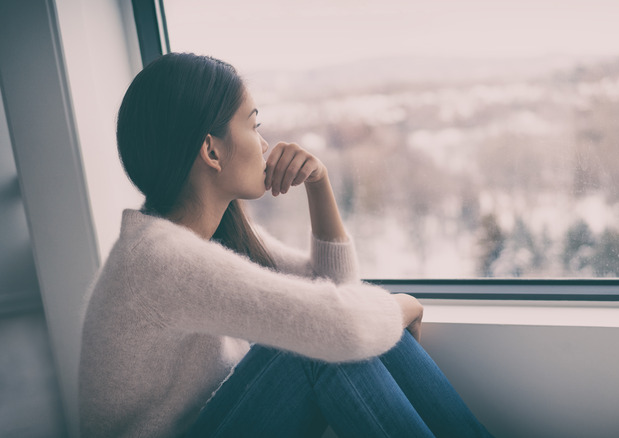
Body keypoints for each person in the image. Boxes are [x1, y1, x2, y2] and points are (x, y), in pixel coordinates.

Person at [78, 52, 493, 438]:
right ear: (211, 150)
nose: (264, 144)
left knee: (352, 330)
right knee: (318, 344)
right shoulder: (160, 260)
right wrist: (404, 305)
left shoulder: (210, 235)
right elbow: (338, 327)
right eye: (254, 125)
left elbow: (339, 296)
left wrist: (319, 185)